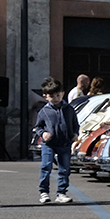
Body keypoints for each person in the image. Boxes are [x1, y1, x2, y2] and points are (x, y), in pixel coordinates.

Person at [34, 77, 79, 205]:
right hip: (49, 144)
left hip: (65, 143)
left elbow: (75, 124)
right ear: (45, 96)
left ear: (63, 94)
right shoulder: (44, 111)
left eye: (58, 95)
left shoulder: (69, 109)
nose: (56, 98)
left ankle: (61, 193)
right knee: (46, 166)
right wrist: (43, 134)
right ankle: (44, 192)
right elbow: (38, 127)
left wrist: (75, 134)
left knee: (64, 168)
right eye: (52, 96)